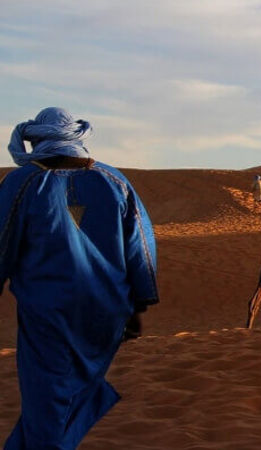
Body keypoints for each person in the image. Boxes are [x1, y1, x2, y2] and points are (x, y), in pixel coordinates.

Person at [1, 107, 158, 449]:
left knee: (48, 398)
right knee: (66, 392)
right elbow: (141, 247)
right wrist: (138, 305)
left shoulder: (21, 182)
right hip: (106, 312)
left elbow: (2, 241)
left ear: (38, 138)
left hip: (48, 312)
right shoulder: (115, 181)